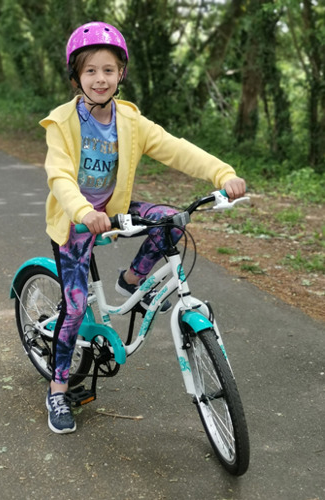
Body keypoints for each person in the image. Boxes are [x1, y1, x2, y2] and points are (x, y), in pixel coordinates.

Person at [39, 21, 246, 434]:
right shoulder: (63, 123)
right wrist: (82, 211)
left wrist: (222, 174)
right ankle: (58, 389)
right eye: (91, 70)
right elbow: (59, 175)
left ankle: (131, 280)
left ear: (121, 75)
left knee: (170, 221)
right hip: (76, 219)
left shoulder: (130, 122)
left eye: (109, 70)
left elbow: (176, 148)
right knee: (76, 307)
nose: (100, 78)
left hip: (115, 208)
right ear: (77, 76)